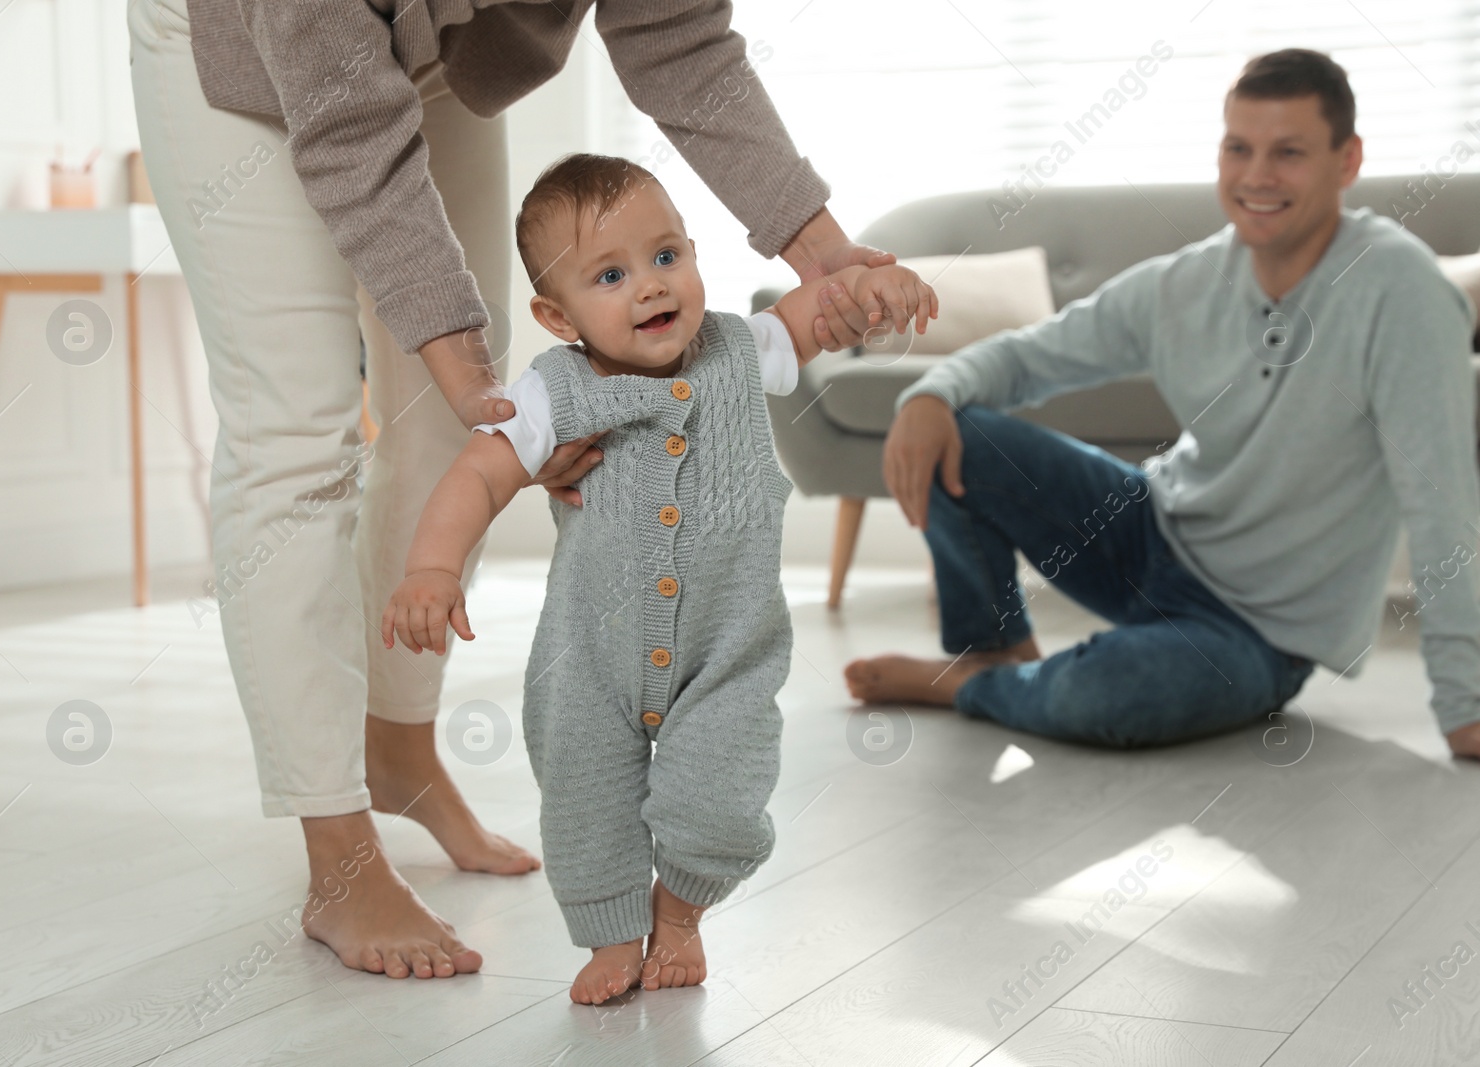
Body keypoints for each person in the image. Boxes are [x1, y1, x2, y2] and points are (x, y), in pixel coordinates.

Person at [129, 0, 905, 981]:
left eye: (666, 258)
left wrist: (819, 249)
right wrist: (494, 406)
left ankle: (400, 750)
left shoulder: (728, 352)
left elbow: (677, 38)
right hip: (254, 45)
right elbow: (351, 126)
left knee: (447, 414)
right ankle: (340, 856)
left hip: (432, 55)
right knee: (297, 422)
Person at [381, 153, 936, 1004]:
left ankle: (679, 915)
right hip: (589, 662)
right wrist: (431, 566)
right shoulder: (550, 391)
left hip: (728, 654)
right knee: (583, 795)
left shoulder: (740, 347)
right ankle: (611, 936)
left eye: (668, 255)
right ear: (556, 315)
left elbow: (823, 311)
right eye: (612, 274)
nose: (651, 286)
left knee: (722, 791)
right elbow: (479, 475)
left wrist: (871, 289)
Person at [844, 48, 1480, 758]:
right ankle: (991, 650)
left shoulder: (1404, 292)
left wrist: (1466, 703)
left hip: (1258, 632)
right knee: (949, 428)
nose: (1257, 176)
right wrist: (929, 394)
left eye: (1289, 152)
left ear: (1347, 160)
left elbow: (1443, 502)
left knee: (1113, 696)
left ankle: (978, 687)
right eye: (1239, 148)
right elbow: (1030, 355)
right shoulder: (1186, 282)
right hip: (1150, 532)